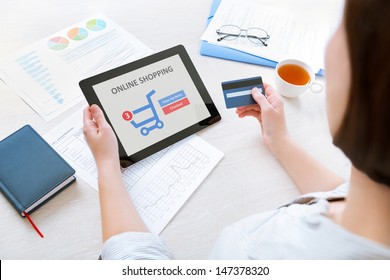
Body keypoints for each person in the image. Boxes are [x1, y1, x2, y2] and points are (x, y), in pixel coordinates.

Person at [83, 0, 390, 259]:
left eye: (343, 28)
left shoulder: (252, 249)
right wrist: (280, 140)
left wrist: (108, 165)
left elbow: (134, 263)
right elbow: (352, 196)